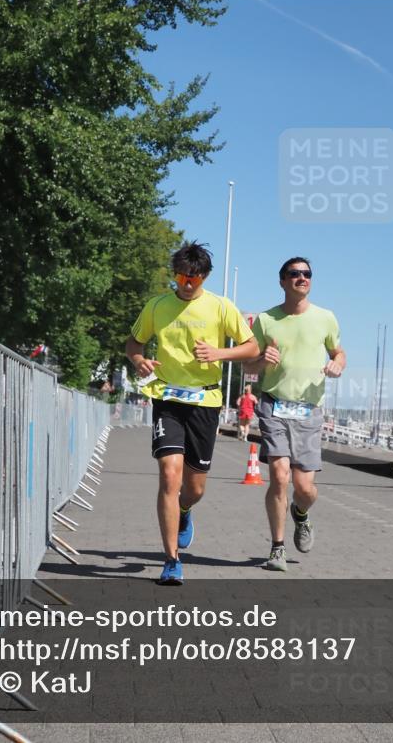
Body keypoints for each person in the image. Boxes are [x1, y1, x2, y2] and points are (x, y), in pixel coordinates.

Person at [125, 243, 258, 585]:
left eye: (194, 278)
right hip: (166, 398)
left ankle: (185, 510)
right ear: (174, 274)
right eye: (181, 276)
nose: (186, 283)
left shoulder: (221, 307)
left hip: (205, 401)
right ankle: (171, 560)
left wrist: (218, 353)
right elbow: (133, 343)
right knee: (170, 475)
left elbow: (252, 347)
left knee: (194, 488)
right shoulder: (157, 306)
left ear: (205, 277)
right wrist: (139, 360)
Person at [243, 257, 345, 572]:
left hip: (309, 411)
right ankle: (277, 549)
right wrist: (263, 359)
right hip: (274, 406)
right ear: (282, 281)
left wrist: (337, 364)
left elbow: (338, 352)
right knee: (279, 476)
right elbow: (248, 368)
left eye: (306, 274)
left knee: (304, 489)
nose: (302, 277)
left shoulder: (325, 318)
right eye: (294, 273)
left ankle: (301, 514)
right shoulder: (266, 320)